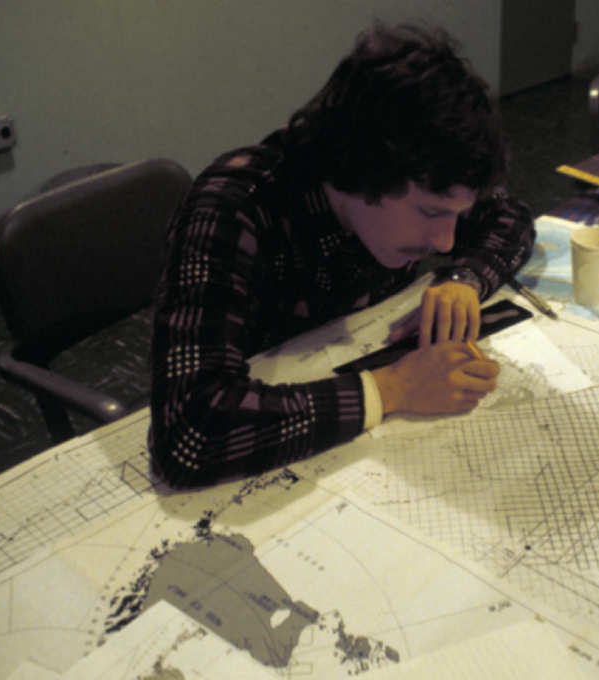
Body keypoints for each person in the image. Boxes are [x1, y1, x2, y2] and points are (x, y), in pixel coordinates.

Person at [148, 22, 535, 488]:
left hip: (337, 405)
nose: (446, 241)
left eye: (457, 215)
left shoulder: (421, 177)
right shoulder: (235, 207)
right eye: (431, 212)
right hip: (256, 449)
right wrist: (393, 388)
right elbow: (190, 434)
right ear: (365, 169)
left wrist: (464, 280)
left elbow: (510, 219)